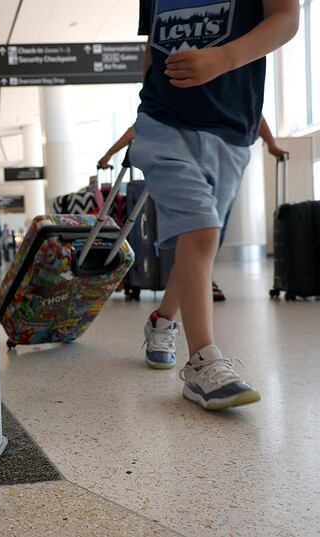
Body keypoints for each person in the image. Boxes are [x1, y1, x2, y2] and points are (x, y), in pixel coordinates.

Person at [132, 0, 298, 410]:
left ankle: (163, 320)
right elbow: (153, 48)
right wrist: (145, 109)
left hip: (230, 131)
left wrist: (224, 57)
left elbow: (287, 17)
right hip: (163, 124)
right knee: (200, 232)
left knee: (200, 243)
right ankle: (203, 363)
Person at [98, 118, 289, 302]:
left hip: (224, 160)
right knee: (199, 228)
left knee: (210, 232)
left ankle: (177, 304)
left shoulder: (228, 95)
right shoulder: (179, 96)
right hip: (187, 164)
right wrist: (108, 154)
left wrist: (271, 144)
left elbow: (252, 109)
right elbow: (139, 126)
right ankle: (182, 301)